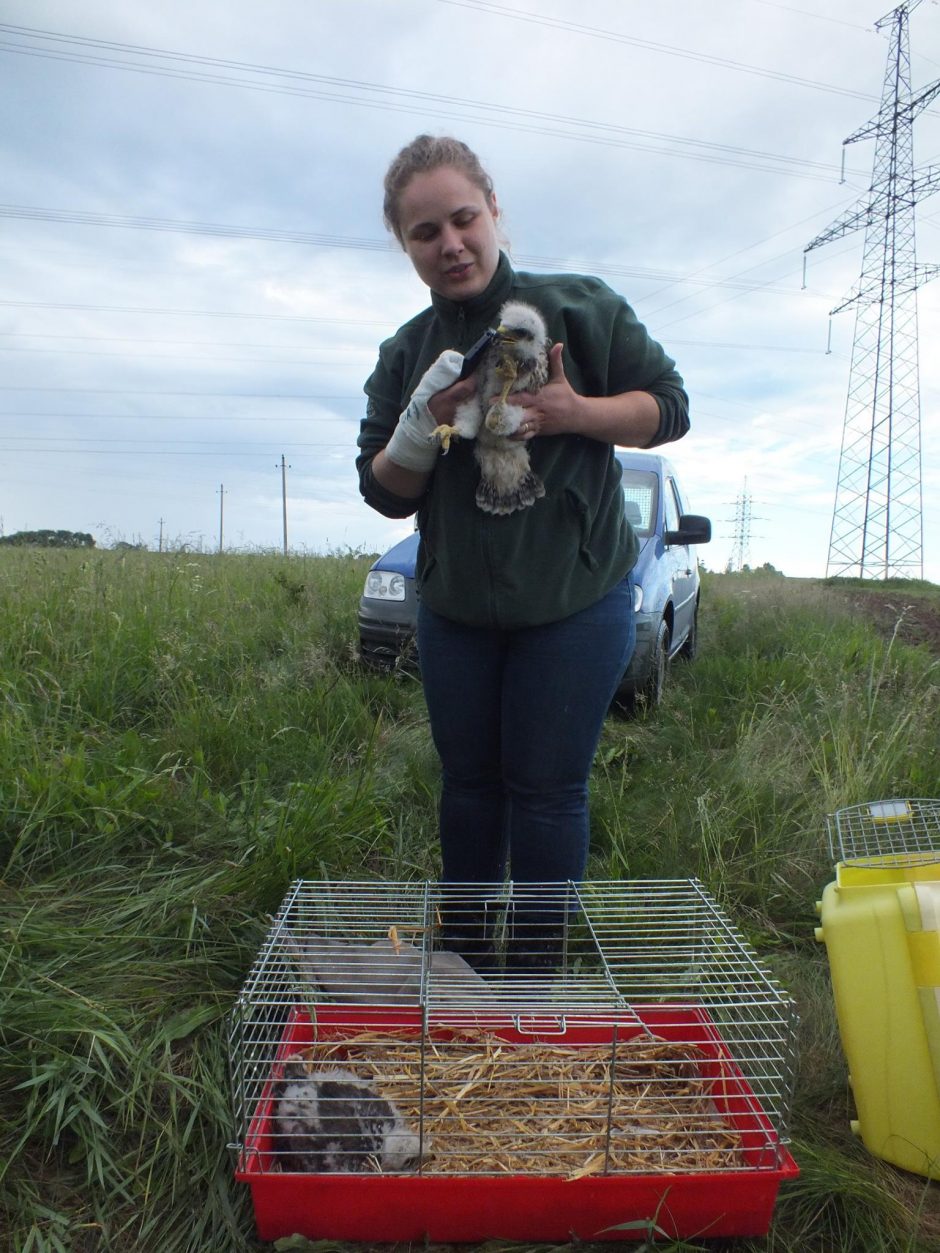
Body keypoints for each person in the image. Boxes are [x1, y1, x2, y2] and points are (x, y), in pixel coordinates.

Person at [357, 135, 689, 968]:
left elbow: (671, 407)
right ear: (406, 244)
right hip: (456, 610)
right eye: (425, 232)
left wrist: (576, 412)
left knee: (544, 793)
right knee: (469, 789)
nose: (451, 244)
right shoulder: (406, 351)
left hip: (576, 602)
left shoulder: (580, 307)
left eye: (464, 219)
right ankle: (464, 964)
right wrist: (428, 422)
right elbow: (385, 490)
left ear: (495, 210)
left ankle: (531, 981)